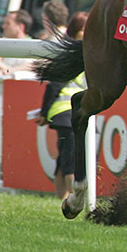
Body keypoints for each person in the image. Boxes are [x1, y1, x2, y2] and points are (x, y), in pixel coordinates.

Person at [37, 12, 87, 200]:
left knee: (64, 157)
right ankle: (70, 199)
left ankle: (62, 196)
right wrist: (43, 113)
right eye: (84, 30)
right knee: (70, 159)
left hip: (66, 113)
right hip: (67, 113)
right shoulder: (72, 54)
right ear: (75, 31)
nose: (87, 33)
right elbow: (54, 85)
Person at [0, 9, 35, 77]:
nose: (3, 27)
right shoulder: (3, 43)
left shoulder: (32, 49)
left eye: (8, 23)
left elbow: (23, 74)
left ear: (20, 27)